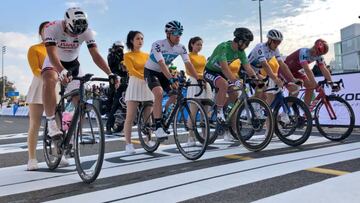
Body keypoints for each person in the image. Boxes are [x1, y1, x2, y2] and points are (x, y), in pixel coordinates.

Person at [42, 7, 118, 150]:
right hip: (54, 61)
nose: (75, 35)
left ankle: (72, 137)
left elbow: (95, 55)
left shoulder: (87, 31)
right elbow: (52, 54)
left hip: (73, 65)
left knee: (81, 103)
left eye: (78, 33)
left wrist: (110, 73)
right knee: (50, 79)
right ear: (66, 23)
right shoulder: (51, 27)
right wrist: (61, 71)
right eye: (72, 31)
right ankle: (51, 121)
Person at [144, 20, 201, 139]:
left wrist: (198, 78)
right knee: (158, 93)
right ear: (168, 34)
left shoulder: (181, 47)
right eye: (175, 32)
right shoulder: (158, 44)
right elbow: (161, 63)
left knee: (175, 95)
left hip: (164, 72)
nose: (178, 35)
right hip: (151, 71)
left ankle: (162, 113)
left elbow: (188, 64)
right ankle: (158, 126)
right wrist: (171, 79)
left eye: (180, 32)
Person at [203, 27, 257, 130]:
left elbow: (247, 67)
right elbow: (224, 68)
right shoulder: (223, 47)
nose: (247, 46)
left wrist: (255, 78)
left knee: (234, 93)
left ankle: (227, 113)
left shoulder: (241, 52)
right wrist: (235, 81)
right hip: (210, 71)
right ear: (240, 41)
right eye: (246, 43)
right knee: (224, 84)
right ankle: (219, 112)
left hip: (221, 73)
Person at [279, 39, 340, 106]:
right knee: (295, 90)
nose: (316, 54)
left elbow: (324, 70)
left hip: (294, 71)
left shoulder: (319, 57)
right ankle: (285, 114)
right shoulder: (303, 52)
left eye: (320, 54)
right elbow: (307, 70)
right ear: (314, 46)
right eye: (317, 51)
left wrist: (331, 84)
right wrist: (316, 85)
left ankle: (306, 112)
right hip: (284, 70)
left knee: (310, 87)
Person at [123, 31, 153, 154]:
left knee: (148, 116)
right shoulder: (127, 55)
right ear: (131, 41)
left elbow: (151, 68)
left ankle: (149, 139)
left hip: (147, 85)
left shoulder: (147, 55)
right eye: (137, 39)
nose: (140, 41)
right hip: (135, 84)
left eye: (142, 38)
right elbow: (132, 71)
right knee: (130, 116)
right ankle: (128, 144)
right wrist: (145, 77)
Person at [106, 41, 129, 134]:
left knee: (128, 103)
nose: (120, 49)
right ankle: (109, 126)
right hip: (115, 79)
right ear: (114, 47)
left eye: (122, 47)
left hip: (125, 80)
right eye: (118, 47)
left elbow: (127, 67)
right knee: (115, 103)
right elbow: (113, 68)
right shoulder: (111, 55)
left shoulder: (124, 56)